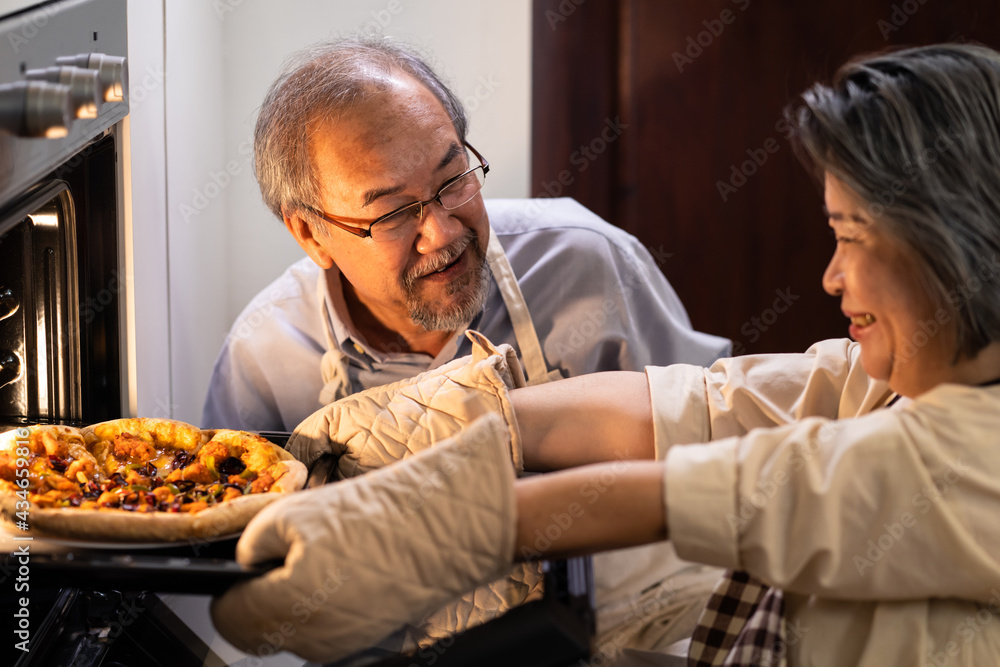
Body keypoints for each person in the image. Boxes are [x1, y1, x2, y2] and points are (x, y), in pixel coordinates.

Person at [211, 42, 1000, 666]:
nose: (830, 275)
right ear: (308, 230)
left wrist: (442, 525)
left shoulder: (977, 454)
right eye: (390, 213)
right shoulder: (882, 376)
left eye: (851, 236)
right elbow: (708, 405)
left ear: (958, 248)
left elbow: (726, 492)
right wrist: (462, 417)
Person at [202, 36, 730, 657]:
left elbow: (718, 447)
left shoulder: (588, 263)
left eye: (453, 179)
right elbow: (231, 568)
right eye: (394, 213)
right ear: (310, 233)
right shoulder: (266, 354)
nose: (443, 231)